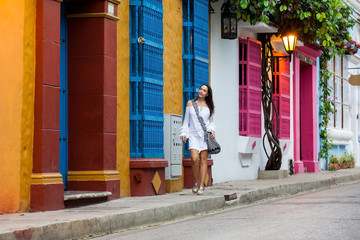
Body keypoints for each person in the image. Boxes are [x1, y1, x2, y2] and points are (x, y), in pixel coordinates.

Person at [180, 84, 216, 195]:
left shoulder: (210, 107)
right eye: (200, 89)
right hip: (193, 135)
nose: (201, 91)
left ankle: (201, 185)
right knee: (194, 159)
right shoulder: (190, 103)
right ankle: (196, 180)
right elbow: (186, 121)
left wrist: (212, 130)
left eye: (204, 90)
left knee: (204, 160)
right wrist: (184, 133)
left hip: (205, 136)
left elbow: (211, 122)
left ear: (207, 94)